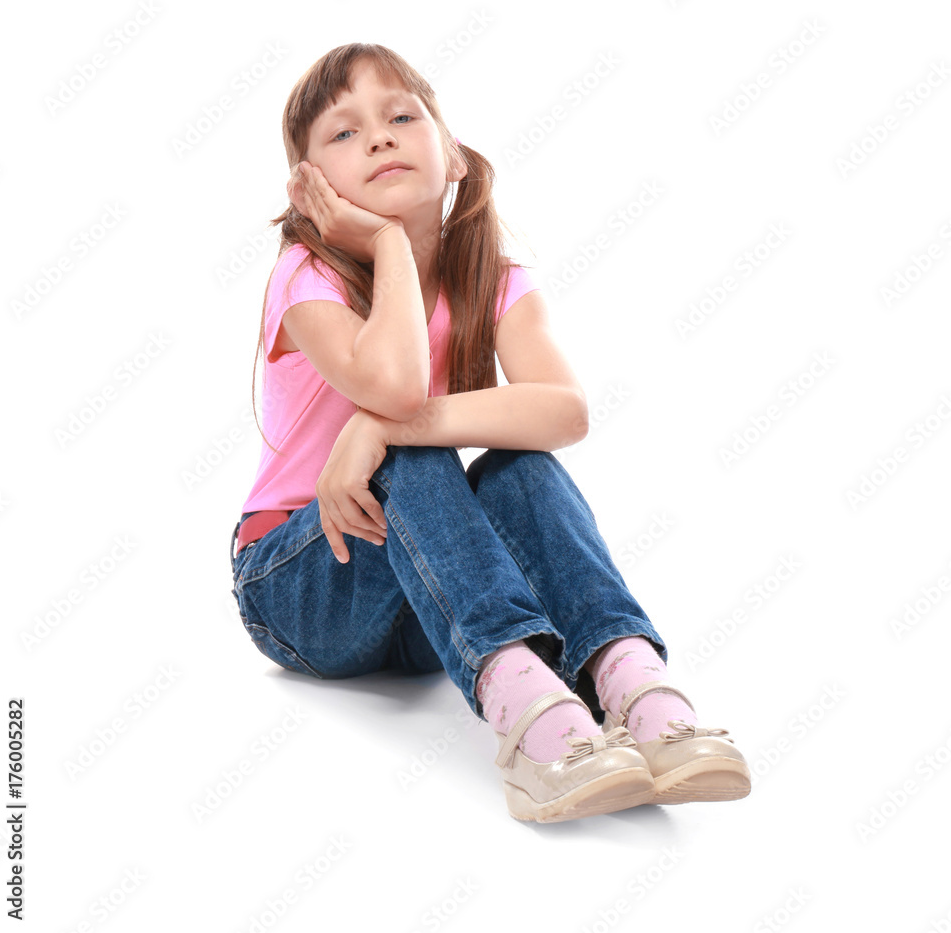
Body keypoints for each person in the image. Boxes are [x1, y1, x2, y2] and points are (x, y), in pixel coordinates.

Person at [228, 42, 751, 824]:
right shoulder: (309, 278)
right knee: (414, 457)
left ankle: (628, 678)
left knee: (519, 466)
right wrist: (390, 246)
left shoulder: (499, 278)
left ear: (457, 159)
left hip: (430, 600)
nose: (378, 137)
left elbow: (562, 410)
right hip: (301, 585)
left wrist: (377, 428)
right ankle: (537, 726)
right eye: (343, 133)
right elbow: (399, 386)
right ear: (310, 192)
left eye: (402, 116)